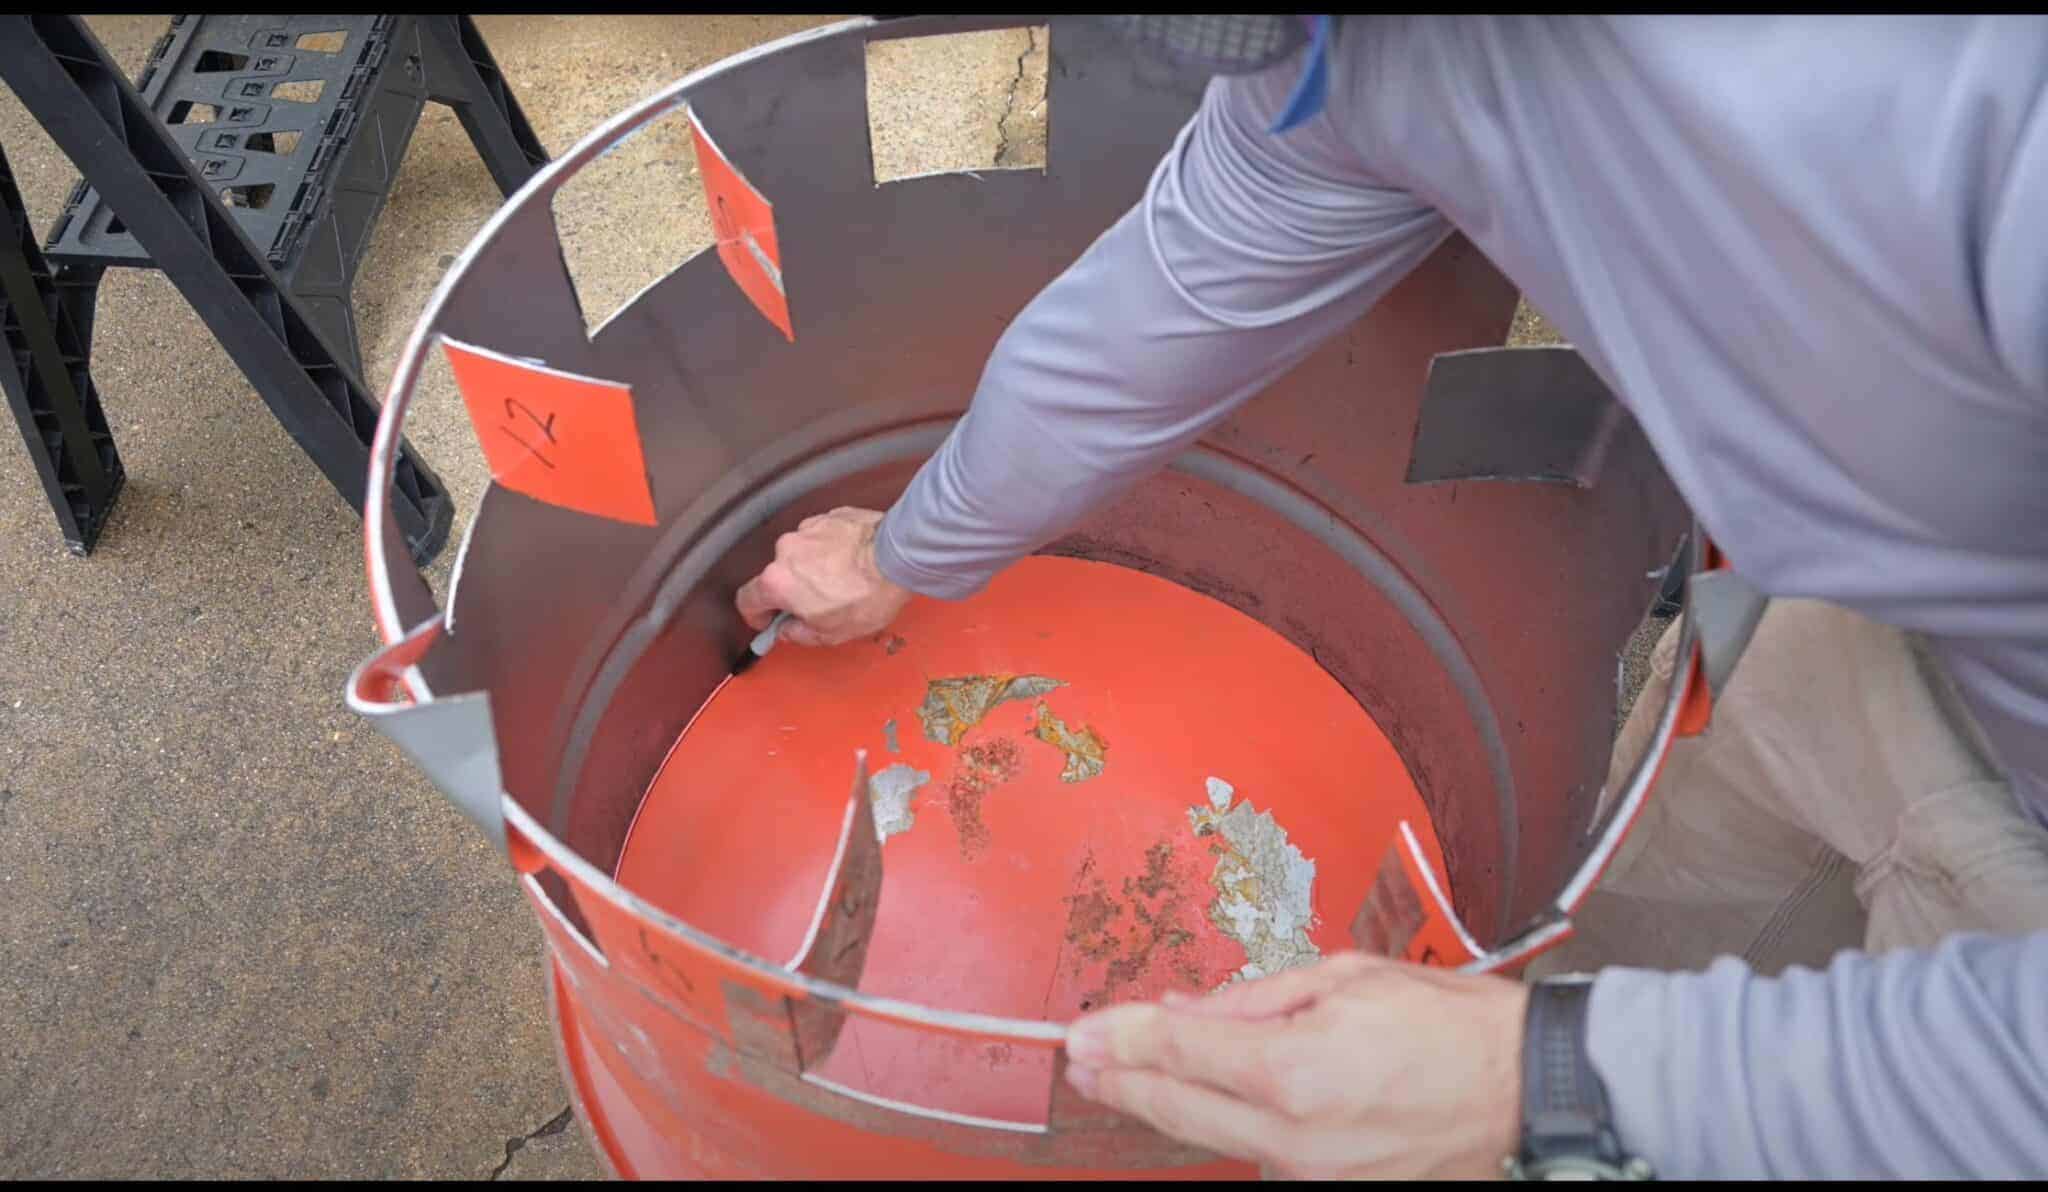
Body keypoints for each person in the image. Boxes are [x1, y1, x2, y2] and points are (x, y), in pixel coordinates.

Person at [734, 15, 2048, 1180]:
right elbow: (1190, 280)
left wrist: (1540, 1085)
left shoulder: (1976, 122)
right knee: (1658, 916)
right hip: (1870, 613)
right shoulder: (1352, 46)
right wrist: (914, 546)